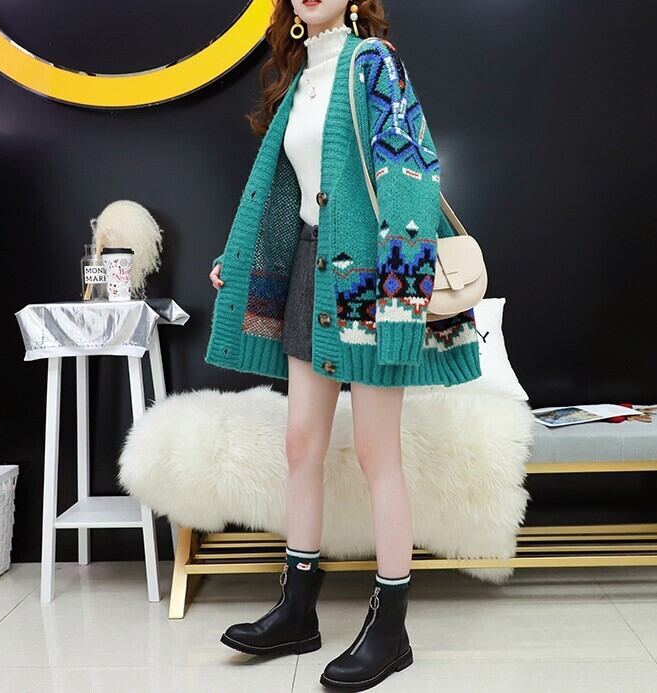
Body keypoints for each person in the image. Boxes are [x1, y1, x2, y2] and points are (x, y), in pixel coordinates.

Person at [206, 1, 481, 689]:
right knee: (301, 443)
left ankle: (390, 628)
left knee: (375, 452)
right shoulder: (302, 76)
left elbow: (412, 177)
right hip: (311, 269)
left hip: (369, 280)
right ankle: (297, 607)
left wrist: (401, 295)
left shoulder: (372, 63)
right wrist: (238, 260)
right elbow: (286, 195)